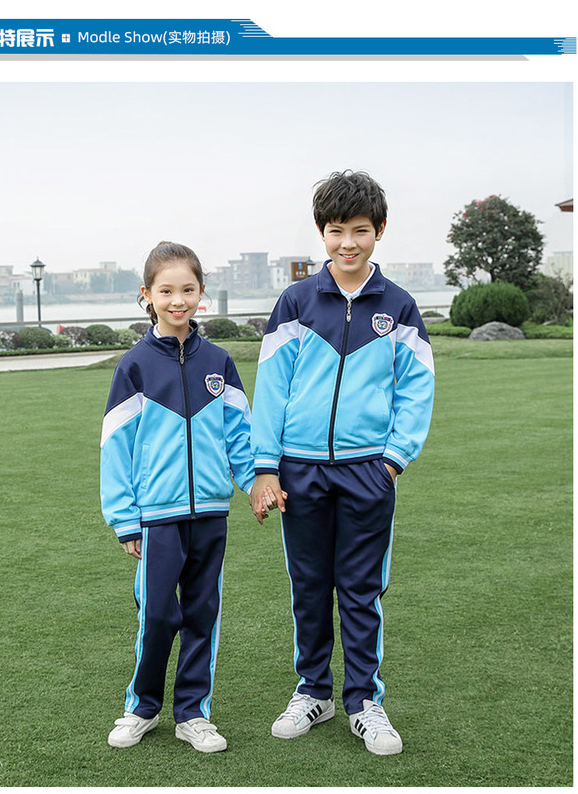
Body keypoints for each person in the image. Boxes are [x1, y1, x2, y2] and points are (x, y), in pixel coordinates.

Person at [249, 171, 435, 756]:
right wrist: (265, 466)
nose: (347, 243)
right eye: (336, 231)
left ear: (380, 230)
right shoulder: (296, 302)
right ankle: (314, 691)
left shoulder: (399, 306)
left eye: (359, 230)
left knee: (360, 588)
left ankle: (363, 701)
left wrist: (393, 461)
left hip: (367, 472)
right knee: (309, 586)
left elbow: (417, 389)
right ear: (321, 233)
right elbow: (271, 388)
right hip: (299, 471)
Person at [100, 241, 276, 753]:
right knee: (157, 616)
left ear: (202, 292)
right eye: (166, 291)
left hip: (211, 515)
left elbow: (239, 435)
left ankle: (193, 714)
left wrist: (254, 483)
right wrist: (125, 519)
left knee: (202, 614)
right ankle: (141, 708)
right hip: (157, 517)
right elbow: (116, 448)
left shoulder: (219, 361)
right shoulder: (134, 367)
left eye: (188, 290)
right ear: (147, 296)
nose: (178, 300)